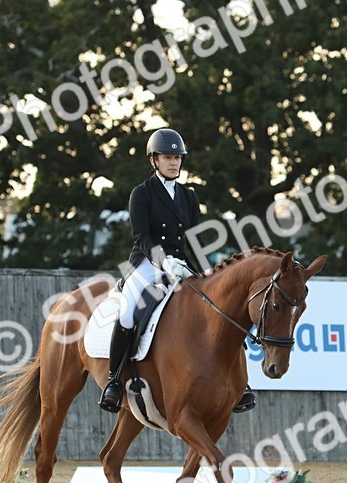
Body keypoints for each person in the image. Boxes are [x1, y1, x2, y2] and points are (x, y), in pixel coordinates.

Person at [98, 128, 257, 415]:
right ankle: (114, 381)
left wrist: (210, 273)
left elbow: (196, 240)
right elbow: (141, 238)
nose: (174, 163)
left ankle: (241, 385)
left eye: (177, 158)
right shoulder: (142, 194)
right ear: (154, 160)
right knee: (128, 310)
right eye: (167, 158)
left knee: (220, 308)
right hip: (147, 263)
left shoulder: (188, 196)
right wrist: (163, 261)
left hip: (182, 265)